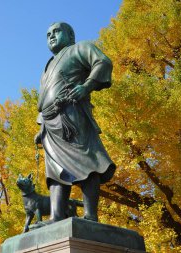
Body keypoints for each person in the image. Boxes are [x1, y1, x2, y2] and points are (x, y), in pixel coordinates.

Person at [35, 22, 116, 222]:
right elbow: (44, 99)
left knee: (86, 161)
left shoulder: (80, 48)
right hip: (51, 124)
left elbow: (103, 62)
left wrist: (86, 86)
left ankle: (90, 215)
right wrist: (41, 126)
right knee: (54, 170)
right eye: (48, 34)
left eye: (57, 31)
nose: (52, 36)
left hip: (71, 114)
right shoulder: (47, 66)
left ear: (70, 36)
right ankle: (56, 216)